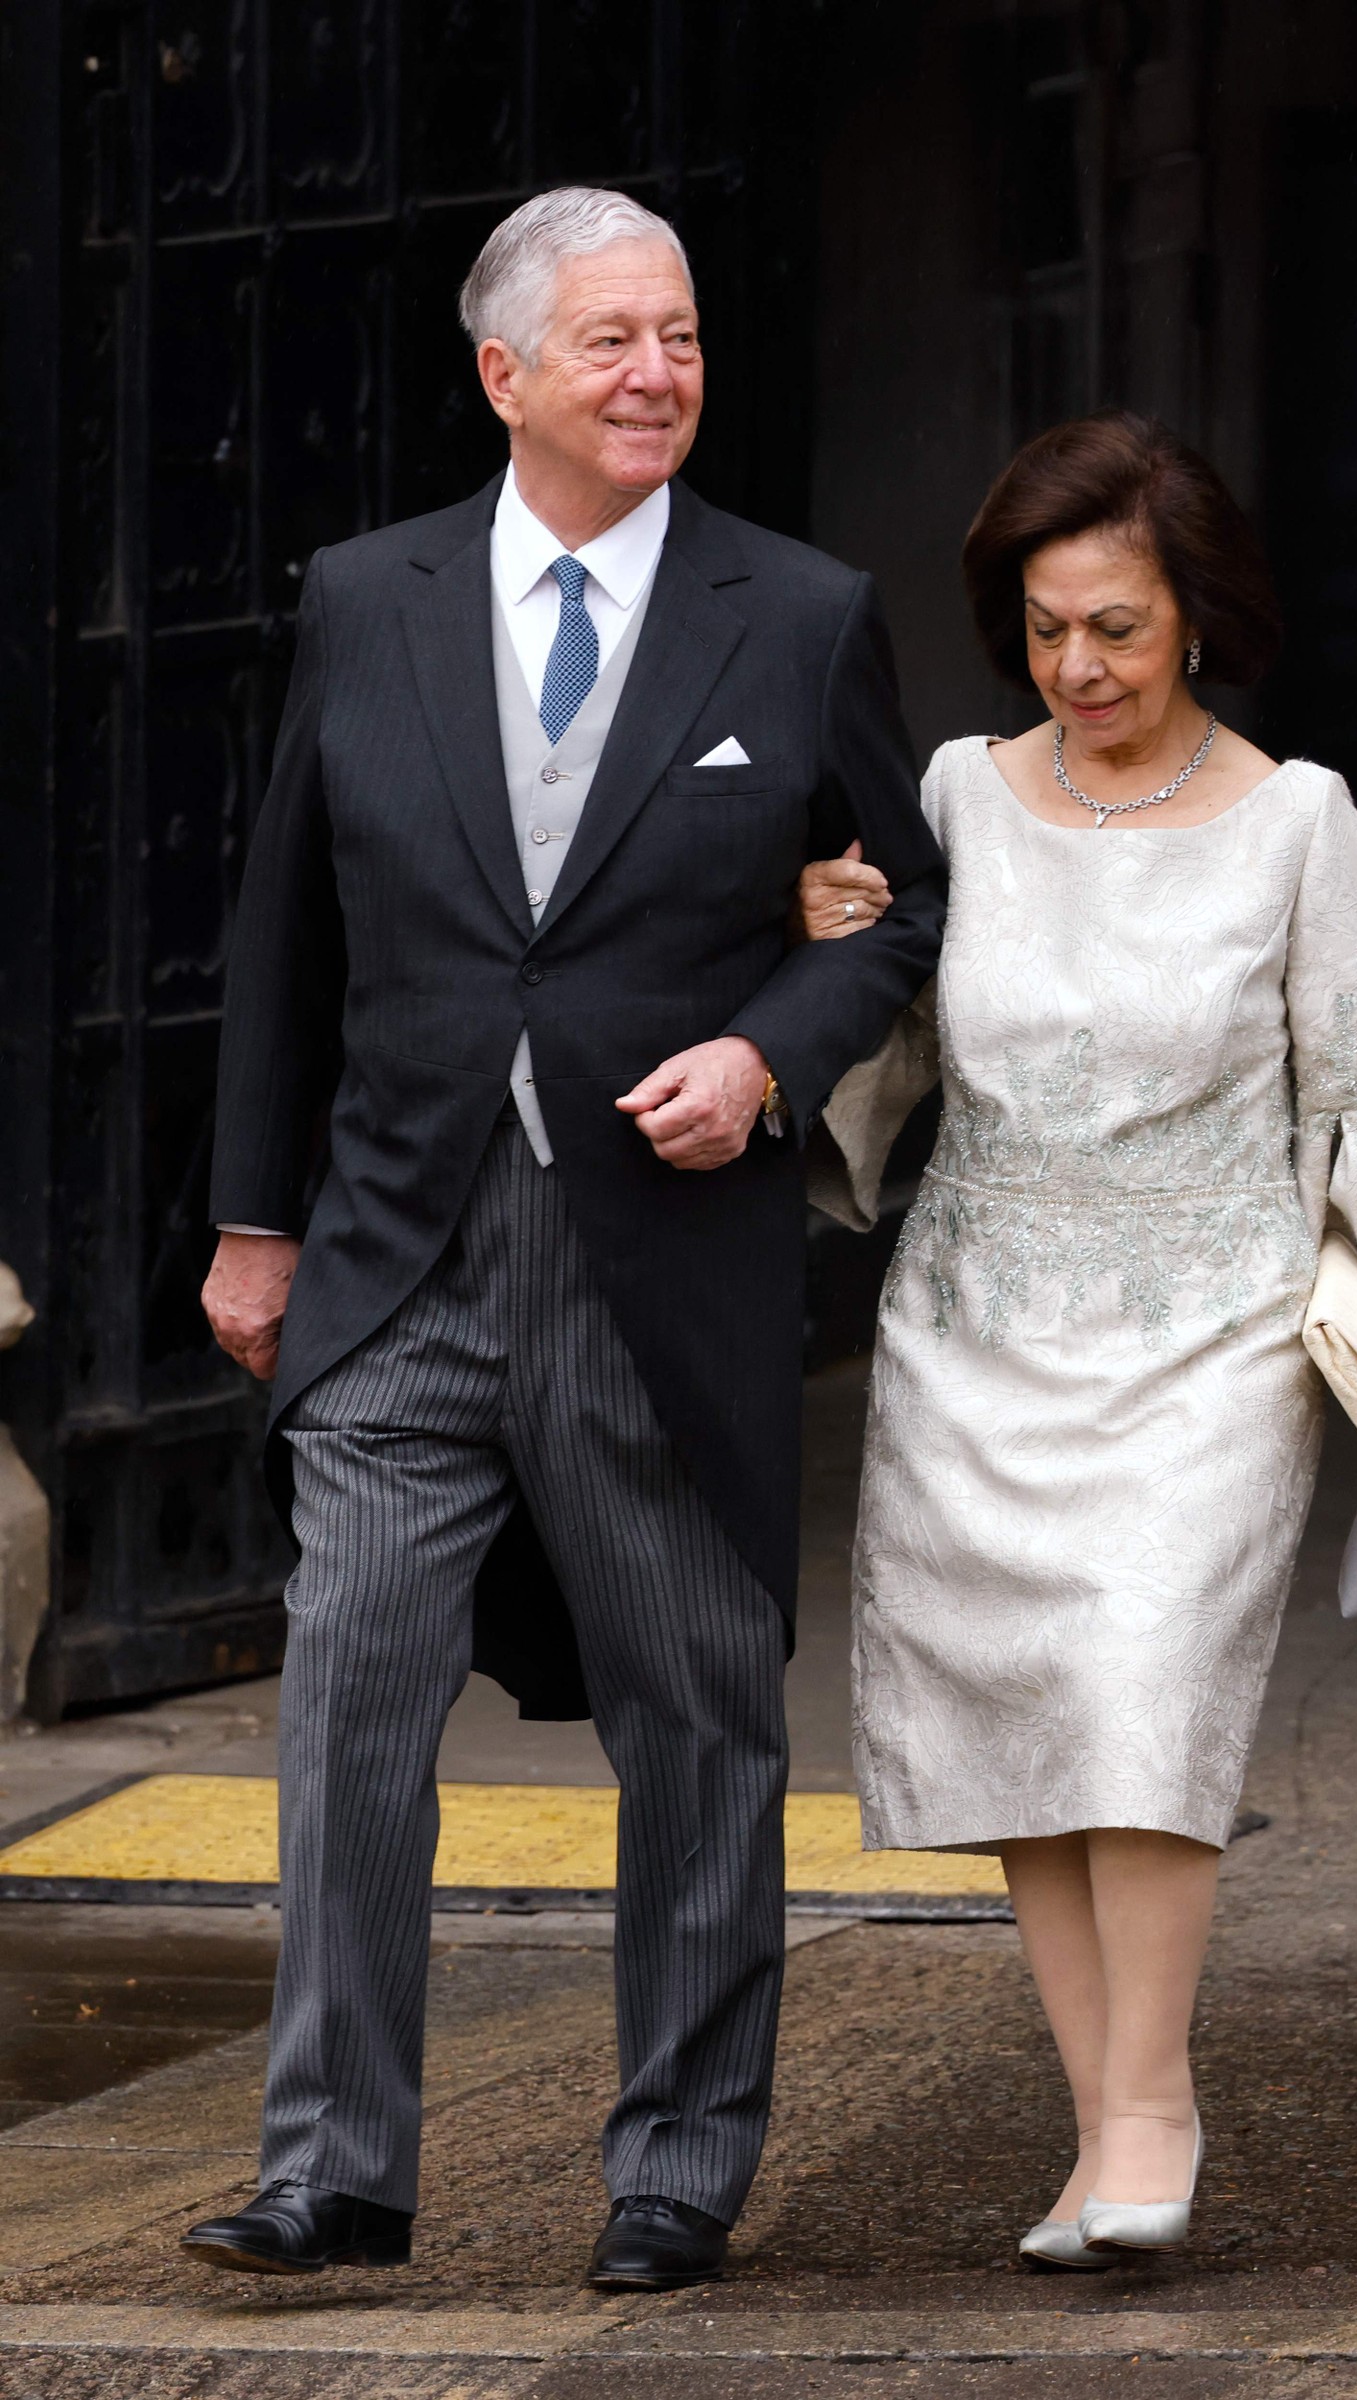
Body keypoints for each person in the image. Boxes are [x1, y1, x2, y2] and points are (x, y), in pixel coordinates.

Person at [184, 186, 944, 2292]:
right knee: (348, 1694)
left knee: (699, 1712)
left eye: (680, 336)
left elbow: (906, 901)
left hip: (656, 1261)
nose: (656, 374)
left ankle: (677, 2167)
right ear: (503, 373)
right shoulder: (365, 595)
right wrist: (255, 1225)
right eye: (609, 340)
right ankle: (333, 2165)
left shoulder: (792, 614)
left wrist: (765, 1054)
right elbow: (282, 933)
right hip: (396, 1251)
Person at [798, 411, 1357, 2265]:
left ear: (1197, 617)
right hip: (974, 1321)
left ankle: (1155, 2100)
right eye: (1044, 630)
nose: (1077, 669)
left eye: (1113, 626)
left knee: (1140, 1697)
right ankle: (1106, 2119)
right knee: (1022, 1715)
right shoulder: (952, 794)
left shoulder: (1298, 819)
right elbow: (886, 1052)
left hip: (1212, 1336)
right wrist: (822, 946)